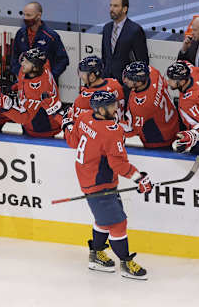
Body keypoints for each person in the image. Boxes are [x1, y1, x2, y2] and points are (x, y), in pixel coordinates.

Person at [62, 90, 152, 280]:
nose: (116, 108)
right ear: (101, 110)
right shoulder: (112, 131)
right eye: (112, 106)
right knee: (118, 223)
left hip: (89, 178)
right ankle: (126, 263)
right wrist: (139, 178)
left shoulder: (85, 116)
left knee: (103, 221)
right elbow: (118, 164)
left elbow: (73, 141)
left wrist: (67, 125)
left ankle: (96, 255)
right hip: (99, 183)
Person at [0, 48, 62, 137]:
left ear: (35, 67)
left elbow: (24, 117)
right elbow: (24, 81)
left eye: (26, 62)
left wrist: (6, 106)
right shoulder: (33, 70)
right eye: (24, 60)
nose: (22, 64)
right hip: (29, 123)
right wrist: (13, 87)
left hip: (42, 130)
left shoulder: (41, 87)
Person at [166, 61, 199, 155]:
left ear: (182, 81)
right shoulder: (195, 71)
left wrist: (190, 137)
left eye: (172, 79)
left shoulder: (189, 101)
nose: (168, 82)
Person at [121, 61, 179, 149]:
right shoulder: (153, 73)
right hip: (172, 122)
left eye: (129, 78)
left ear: (139, 82)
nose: (125, 80)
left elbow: (131, 130)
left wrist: (109, 123)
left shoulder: (142, 105)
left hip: (159, 140)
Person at [11, 1, 69, 83]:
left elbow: (63, 60)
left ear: (39, 15)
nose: (25, 18)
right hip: (24, 83)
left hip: (46, 86)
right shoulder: (20, 33)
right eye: (24, 14)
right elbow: (15, 57)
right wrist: (18, 73)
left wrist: (50, 76)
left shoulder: (51, 36)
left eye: (29, 15)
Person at [101, 0, 149, 86]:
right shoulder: (107, 28)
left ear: (124, 9)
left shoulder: (135, 30)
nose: (111, 9)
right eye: (110, 5)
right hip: (107, 81)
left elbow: (142, 60)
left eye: (115, 6)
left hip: (126, 83)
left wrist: (135, 80)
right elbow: (105, 56)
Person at [72, 55, 125, 121]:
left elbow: (76, 122)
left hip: (103, 129)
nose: (81, 76)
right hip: (120, 127)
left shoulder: (86, 97)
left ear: (92, 76)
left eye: (83, 73)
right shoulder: (115, 83)